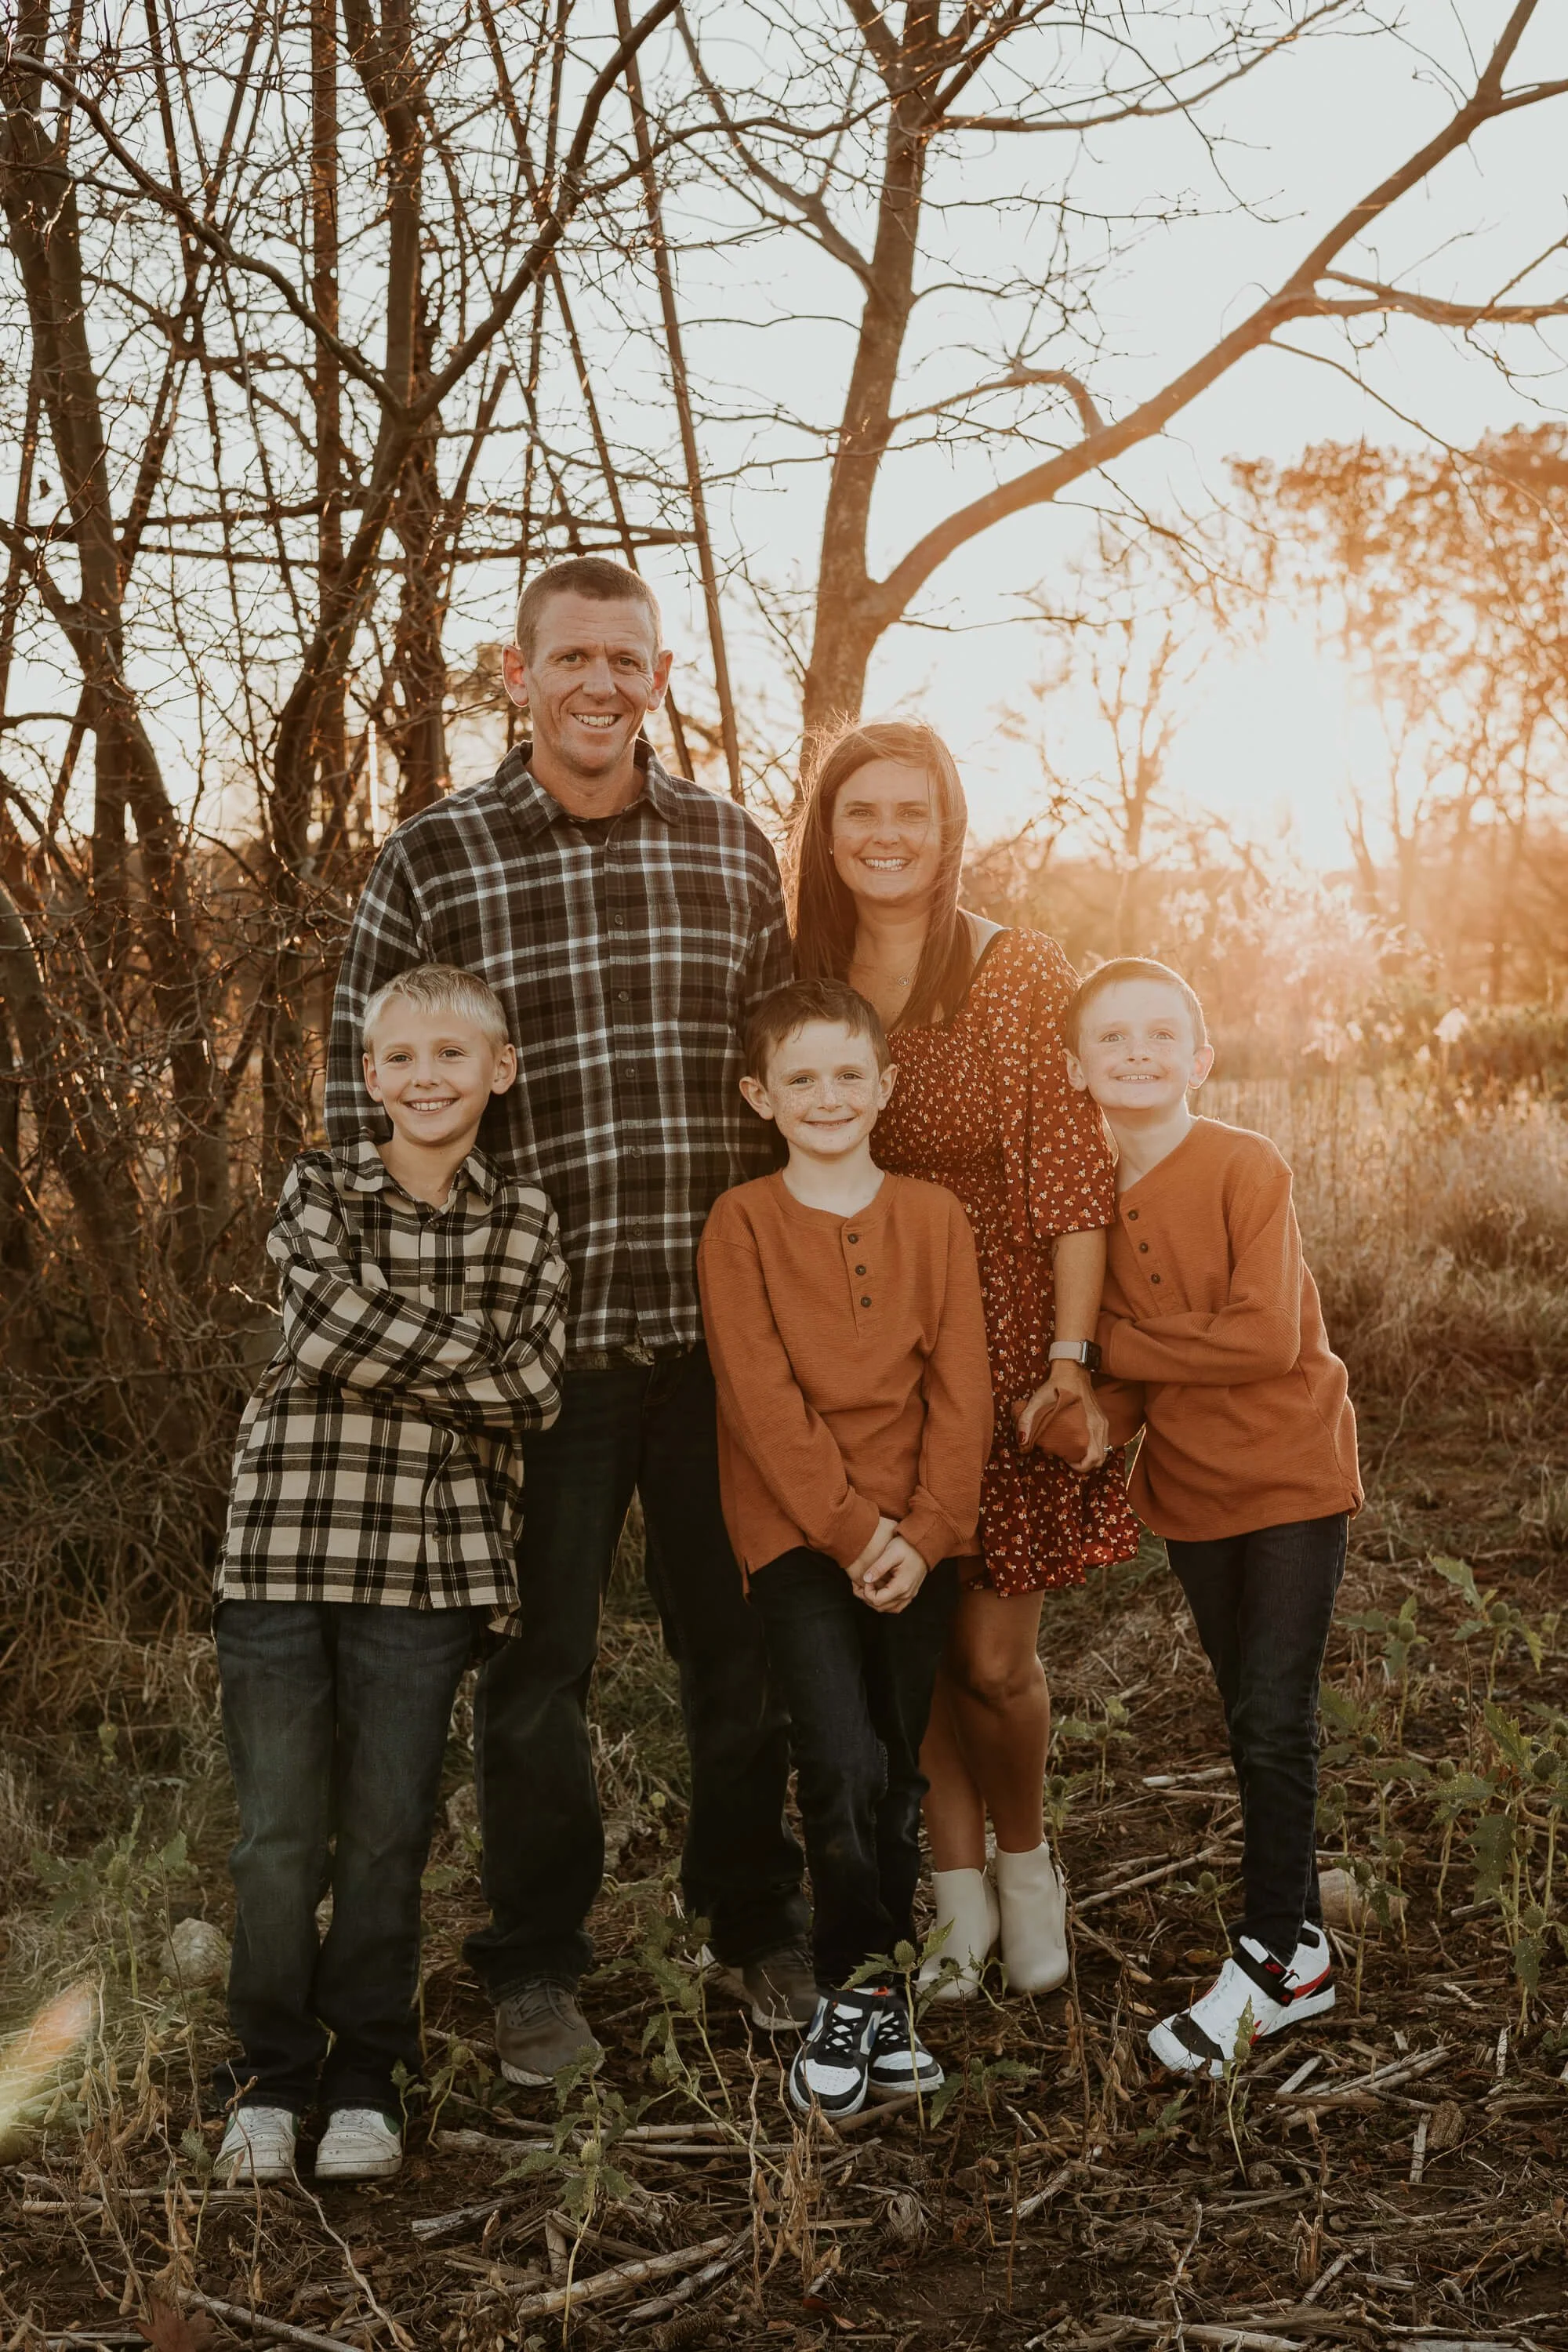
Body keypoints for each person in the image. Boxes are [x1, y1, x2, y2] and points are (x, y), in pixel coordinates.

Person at [325, 557, 811, 2089]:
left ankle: (750, 1920)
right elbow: (365, 1098)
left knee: (735, 1653)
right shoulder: (437, 862)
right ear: (518, 677)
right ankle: (533, 1966)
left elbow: (787, 1085)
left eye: (628, 658)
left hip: (714, 1344)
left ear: (659, 678)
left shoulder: (731, 854)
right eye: (572, 657)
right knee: (537, 1671)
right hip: (532, 1360)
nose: (602, 682)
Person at [789, 722, 1139, 2000]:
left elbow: (1070, 1175)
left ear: (948, 832)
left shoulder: (1011, 967)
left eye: (912, 814)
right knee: (907, 1638)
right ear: (826, 836)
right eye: (860, 813)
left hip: (998, 1335)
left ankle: (1031, 1866)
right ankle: (955, 1895)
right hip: (861, 1340)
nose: (886, 836)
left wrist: (1068, 1355)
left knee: (993, 1659)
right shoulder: (800, 973)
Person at [213, 964, 568, 2184]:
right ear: (370, 1076)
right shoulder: (321, 1183)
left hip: (428, 1563)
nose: (427, 1079)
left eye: (453, 1057)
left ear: (499, 1072)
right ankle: (267, 2075)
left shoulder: (522, 1215)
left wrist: (371, 1336)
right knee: (277, 1837)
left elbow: (537, 1391)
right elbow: (316, 1324)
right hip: (282, 1544)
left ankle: (365, 2072)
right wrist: (461, 1356)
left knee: (383, 1836)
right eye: (402, 1059)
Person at [1058, 956, 1361, 2075]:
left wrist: (1097, 1349)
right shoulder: (1084, 1203)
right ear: (1078, 1066)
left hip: (1289, 1473)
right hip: (1190, 1490)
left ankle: (1270, 1959)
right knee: (1247, 1715)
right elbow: (1136, 1388)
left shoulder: (1245, 1165)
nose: (1137, 1053)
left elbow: (1261, 1339)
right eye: (1112, 1038)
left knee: (1277, 1717)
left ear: (1202, 1056)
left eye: (1159, 1035)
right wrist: (1089, 1411)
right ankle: (1306, 1946)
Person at [698, 978, 993, 2116]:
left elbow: (962, 1392)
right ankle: (851, 1986)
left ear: (886, 1086)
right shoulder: (742, 1223)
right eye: (802, 1078)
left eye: (848, 1075)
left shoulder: (935, 1218)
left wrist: (921, 1537)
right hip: (797, 1538)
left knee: (897, 1764)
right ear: (761, 1095)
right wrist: (856, 1531)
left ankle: (878, 2001)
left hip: (919, 1542)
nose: (828, 1096)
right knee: (835, 1758)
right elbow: (761, 1399)